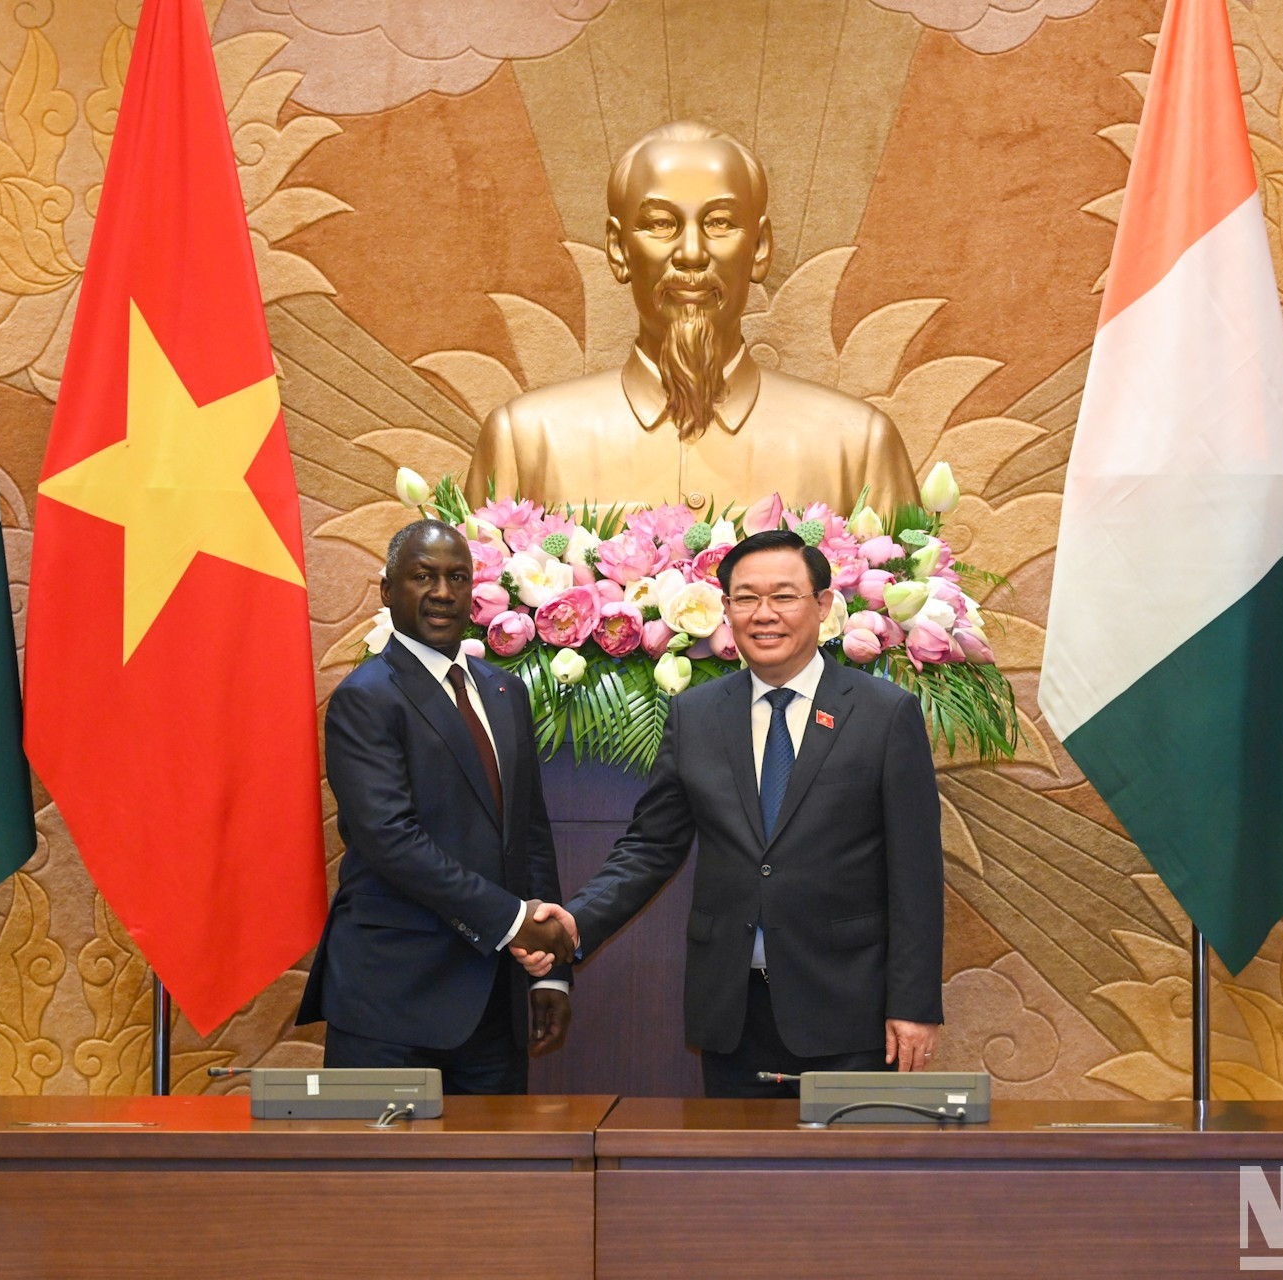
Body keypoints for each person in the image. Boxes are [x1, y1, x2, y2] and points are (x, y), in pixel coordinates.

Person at [521, 529, 944, 1097]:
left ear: (823, 606)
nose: (763, 614)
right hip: (733, 1007)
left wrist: (913, 1004)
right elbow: (651, 845)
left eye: (784, 596)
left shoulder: (884, 714)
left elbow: (916, 874)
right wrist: (578, 921)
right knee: (736, 1180)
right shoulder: (695, 715)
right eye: (745, 598)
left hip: (849, 1008)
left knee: (845, 1182)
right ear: (725, 610)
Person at [464, 121, 920, 515]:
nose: (691, 254)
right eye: (661, 224)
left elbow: (906, 604)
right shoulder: (525, 443)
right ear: (619, 250)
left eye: (720, 223)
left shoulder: (858, 448)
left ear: (759, 248)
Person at [296, 519, 574, 1092]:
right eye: (423, 577)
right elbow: (390, 840)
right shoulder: (365, 698)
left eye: (457, 577)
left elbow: (530, 835)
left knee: (492, 1178)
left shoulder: (504, 692)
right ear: (387, 591)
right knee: (385, 1181)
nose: (443, 592)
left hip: (495, 1002)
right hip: (392, 1003)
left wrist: (552, 976)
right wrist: (517, 924)